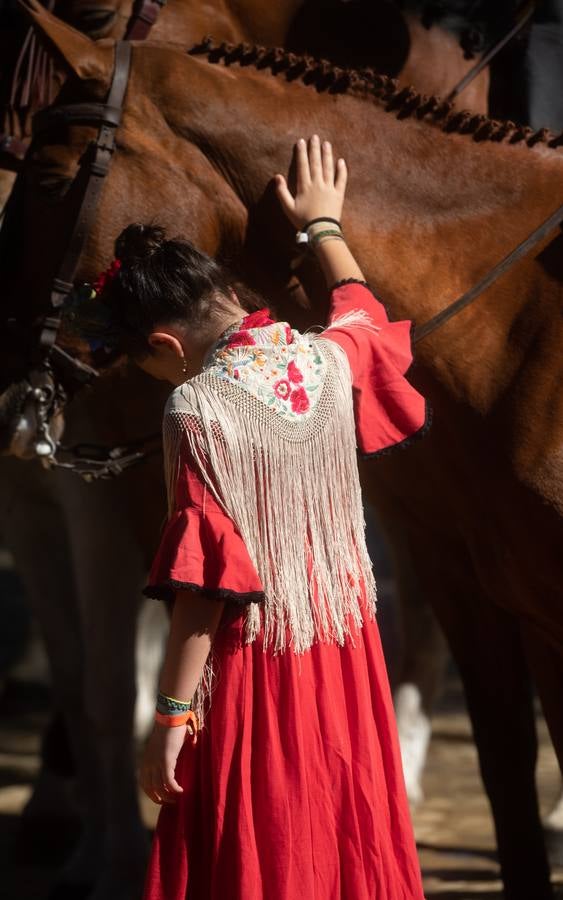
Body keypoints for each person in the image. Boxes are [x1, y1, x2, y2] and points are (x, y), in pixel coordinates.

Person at [82, 135, 428, 899]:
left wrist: (169, 719)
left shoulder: (196, 408)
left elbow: (204, 591)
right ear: (228, 294)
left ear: (167, 345)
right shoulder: (329, 360)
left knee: (259, 848)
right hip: (343, 651)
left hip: (253, 674)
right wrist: (325, 225)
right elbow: (361, 310)